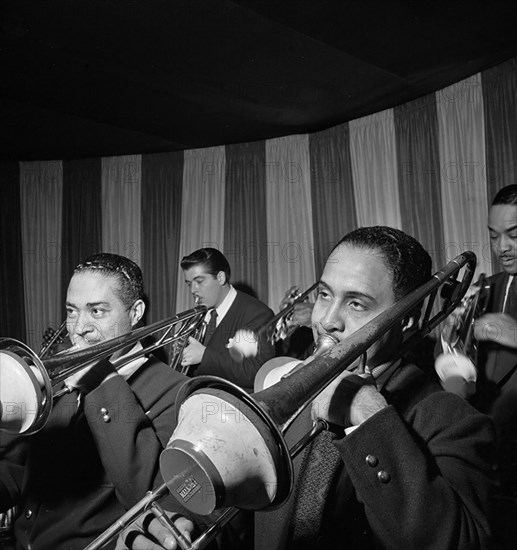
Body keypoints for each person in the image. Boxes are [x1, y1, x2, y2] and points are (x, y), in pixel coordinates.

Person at [122, 226, 496, 550]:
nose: (327, 320)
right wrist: (182, 526)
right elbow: (240, 506)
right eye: (324, 295)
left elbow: (456, 541)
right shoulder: (285, 390)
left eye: (357, 303)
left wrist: (367, 415)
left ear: (408, 319)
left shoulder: (454, 420)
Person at [0, 253, 189, 549]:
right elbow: (17, 470)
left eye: (97, 311)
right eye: (72, 311)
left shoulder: (176, 391)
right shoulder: (59, 380)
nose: (79, 328)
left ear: (136, 312)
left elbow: (149, 498)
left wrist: (102, 382)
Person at [468, 184, 517, 549]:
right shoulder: (488, 286)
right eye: (494, 236)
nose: (502, 248)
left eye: (514, 236)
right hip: (493, 453)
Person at [180, 247, 275, 392]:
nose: (193, 290)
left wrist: (204, 356)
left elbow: (256, 372)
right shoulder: (196, 316)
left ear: (220, 278)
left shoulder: (257, 313)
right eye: (189, 284)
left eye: (199, 281)